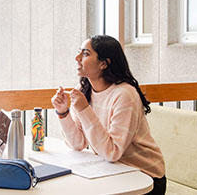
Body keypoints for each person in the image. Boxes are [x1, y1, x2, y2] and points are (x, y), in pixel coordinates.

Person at [51, 35, 166, 195]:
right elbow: (78, 144)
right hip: (112, 170)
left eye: (85, 54)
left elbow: (112, 152)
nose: (77, 58)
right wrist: (63, 112)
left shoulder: (125, 94)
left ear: (104, 63)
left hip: (145, 177)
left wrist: (84, 109)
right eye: (79, 52)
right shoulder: (84, 89)